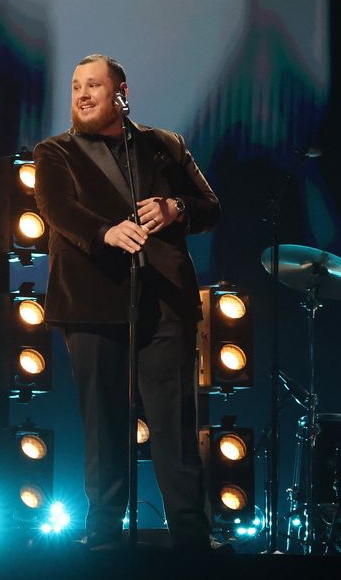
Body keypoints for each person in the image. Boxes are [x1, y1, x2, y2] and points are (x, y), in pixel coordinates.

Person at [33, 53, 220, 551]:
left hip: (165, 303)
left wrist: (174, 207)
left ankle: (191, 534)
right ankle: (103, 533)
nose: (81, 95)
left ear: (121, 93)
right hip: (91, 301)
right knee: (104, 423)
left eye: (93, 85)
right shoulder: (55, 152)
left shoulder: (164, 146)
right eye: (76, 86)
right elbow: (56, 208)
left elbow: (210, 207)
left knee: (175, 423)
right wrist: (105, 233)